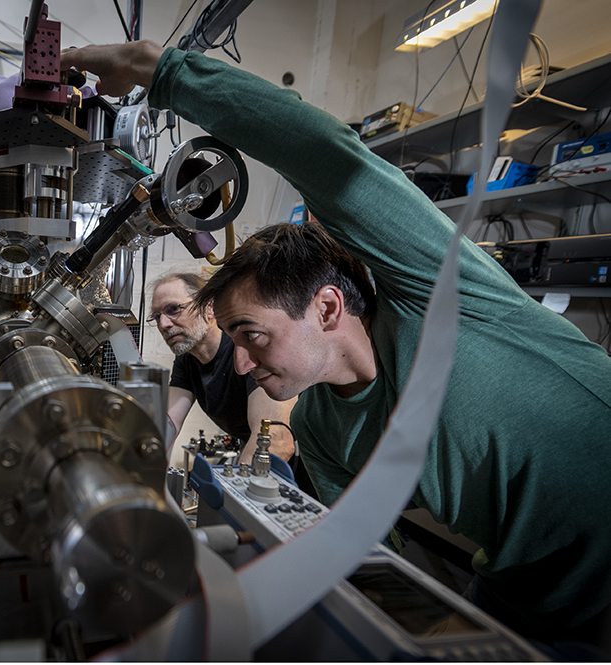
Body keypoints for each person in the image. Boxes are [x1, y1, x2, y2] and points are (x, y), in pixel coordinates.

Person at [61, 41, 611, 647]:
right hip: (530, 592)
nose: (240, 362)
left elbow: (320, 152)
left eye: (252, 335)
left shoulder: (436, 294)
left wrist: (157, 70)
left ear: (326, 308)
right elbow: (367, 559)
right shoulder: (322, 430)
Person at [149, 272, 296, 466]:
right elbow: (167, 425)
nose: (163, 324)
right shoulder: (187, 360)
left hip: (299, 470)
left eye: (174, 309)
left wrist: (238, 485)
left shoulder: (247, 349)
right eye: (157, 316)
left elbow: (276, 440)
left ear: (209, 307)